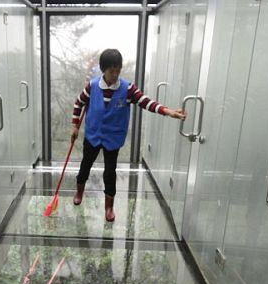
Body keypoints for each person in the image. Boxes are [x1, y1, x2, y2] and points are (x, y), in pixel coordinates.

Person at [70, 48, 186, 222]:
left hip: (113, 138)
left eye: (118, 70)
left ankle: (109, 206)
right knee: (85, 165)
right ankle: (79, 191)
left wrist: (167, 111)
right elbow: (79, 103)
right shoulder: (92, 86)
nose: (115, 74)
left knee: (110, 172)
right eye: (111, 71)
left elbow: (146, 102)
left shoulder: (127, 89)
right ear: (104, 70)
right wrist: (74, 126)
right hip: (93, 135)